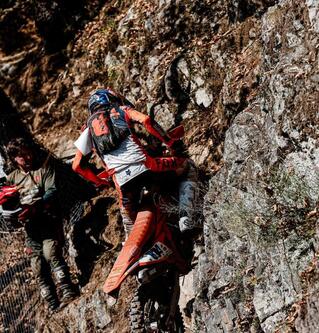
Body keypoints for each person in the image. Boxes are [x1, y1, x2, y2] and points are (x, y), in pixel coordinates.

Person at [72, 88, 198, 237]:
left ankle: (131, 247)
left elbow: (77, 165)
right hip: (147, 167)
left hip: (122, 181)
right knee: (188, 166)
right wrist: (170, 142)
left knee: (129, 221)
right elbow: (145, 120)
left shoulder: (87, 130)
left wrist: (101, 182)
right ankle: (187, 218)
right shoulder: (121, 109)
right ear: (109, 99)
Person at [2, 138, 76, 311]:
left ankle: (68, 291)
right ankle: (51, 303)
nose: (27, 158)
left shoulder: (43, 169)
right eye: (21, 156)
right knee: (37, 266)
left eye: (28, 153)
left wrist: (37, 206)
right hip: (30, 228)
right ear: (14, 159)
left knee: (51, 254)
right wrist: (11, 213)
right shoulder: (12, 178)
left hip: (48, 219)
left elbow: (52, 190)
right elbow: (6, 201)